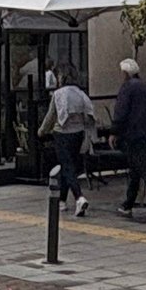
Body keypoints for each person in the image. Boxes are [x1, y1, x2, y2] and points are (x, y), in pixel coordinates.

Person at [112, 58, 146, 219]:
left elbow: (121, 112)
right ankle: (128, 203)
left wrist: (114, 132)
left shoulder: (127, 88)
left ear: (125, 73)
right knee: (136, 169)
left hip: (134, 135)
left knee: (145, 171)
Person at [41, 64, 96, 217]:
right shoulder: (80, 94)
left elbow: (51, 116)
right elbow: (89, 114)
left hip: (62, 133)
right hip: (78, 134)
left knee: (66, 166)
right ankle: (62, 201)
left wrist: (41, 131)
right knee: (70, 165)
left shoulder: (59, 94)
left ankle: (79, 197)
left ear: (61, 77)